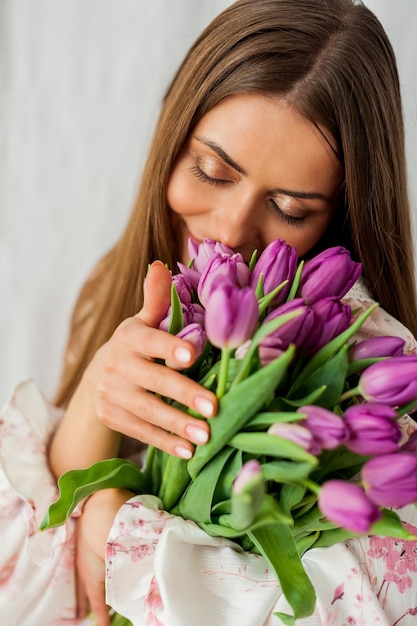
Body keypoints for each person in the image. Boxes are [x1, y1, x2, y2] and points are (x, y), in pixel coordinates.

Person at [1, 0, 417, 624]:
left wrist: (118, 524)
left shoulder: (371, 386)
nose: (227, 230)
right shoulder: (112, 288)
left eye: (290, 209)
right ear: (173, 135)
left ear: (344, 216)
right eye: (212, 170)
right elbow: (27, 591)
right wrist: (98, 389)